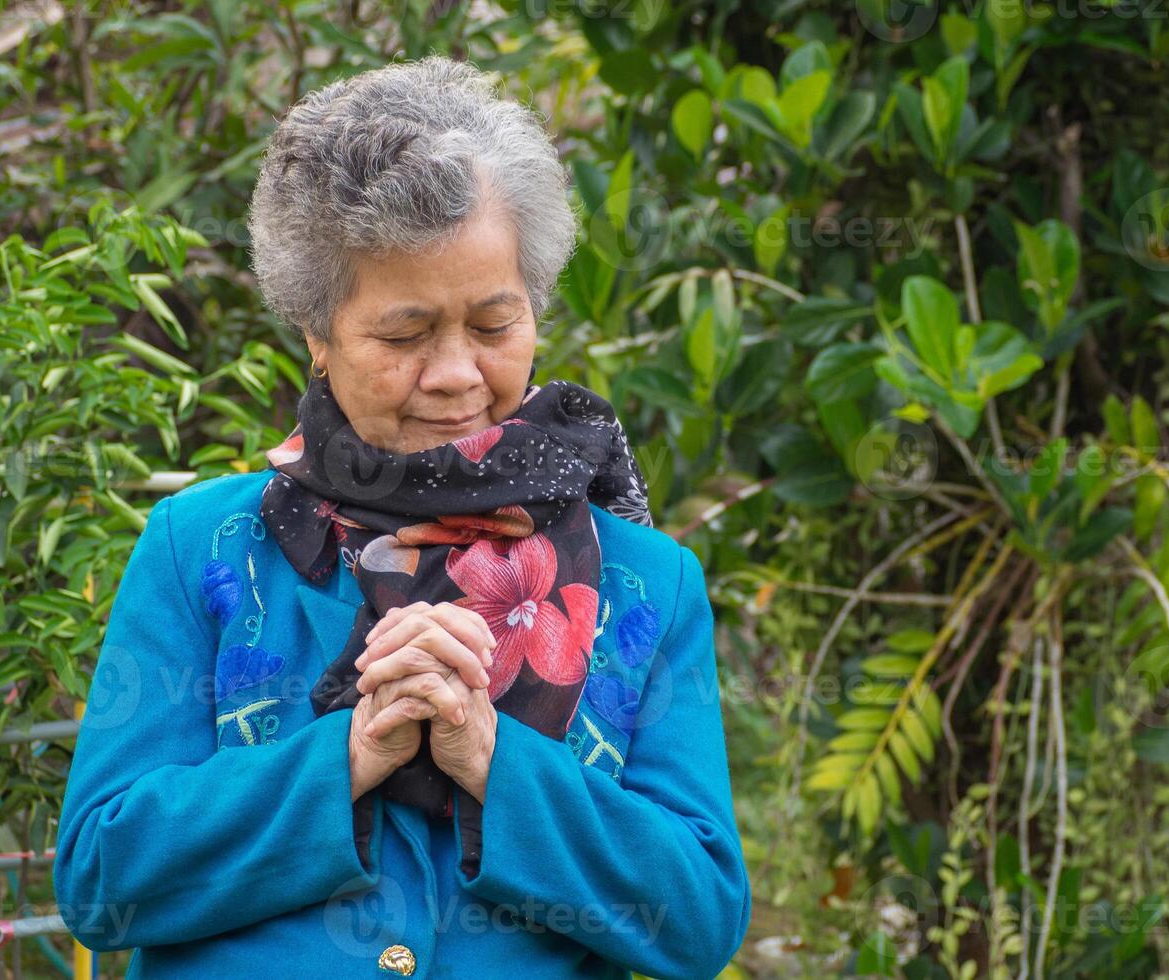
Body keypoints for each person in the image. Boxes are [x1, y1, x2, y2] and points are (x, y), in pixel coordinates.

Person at [53, 53, 751, 978]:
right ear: (316, 330)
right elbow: (104, 880)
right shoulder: (208, 549)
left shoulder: (643, 581)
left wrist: (489, 756)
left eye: (495, 325)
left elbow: (696, 918)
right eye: (404, 333)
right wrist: (349, 752)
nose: (458, 372)